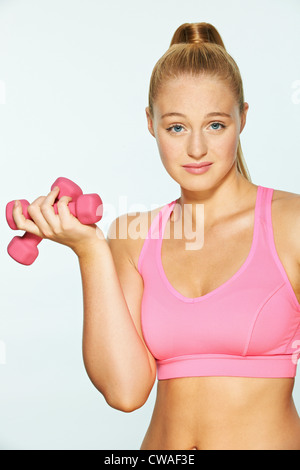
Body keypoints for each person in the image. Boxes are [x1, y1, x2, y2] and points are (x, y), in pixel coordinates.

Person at [12, 22, 300, 450]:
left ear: (243, 116)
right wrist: (90, 250)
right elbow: (125, 392)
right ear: (151, 124)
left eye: (216, 125)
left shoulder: (291, 223)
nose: (197, 149)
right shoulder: (132, 237)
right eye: (177, 127)